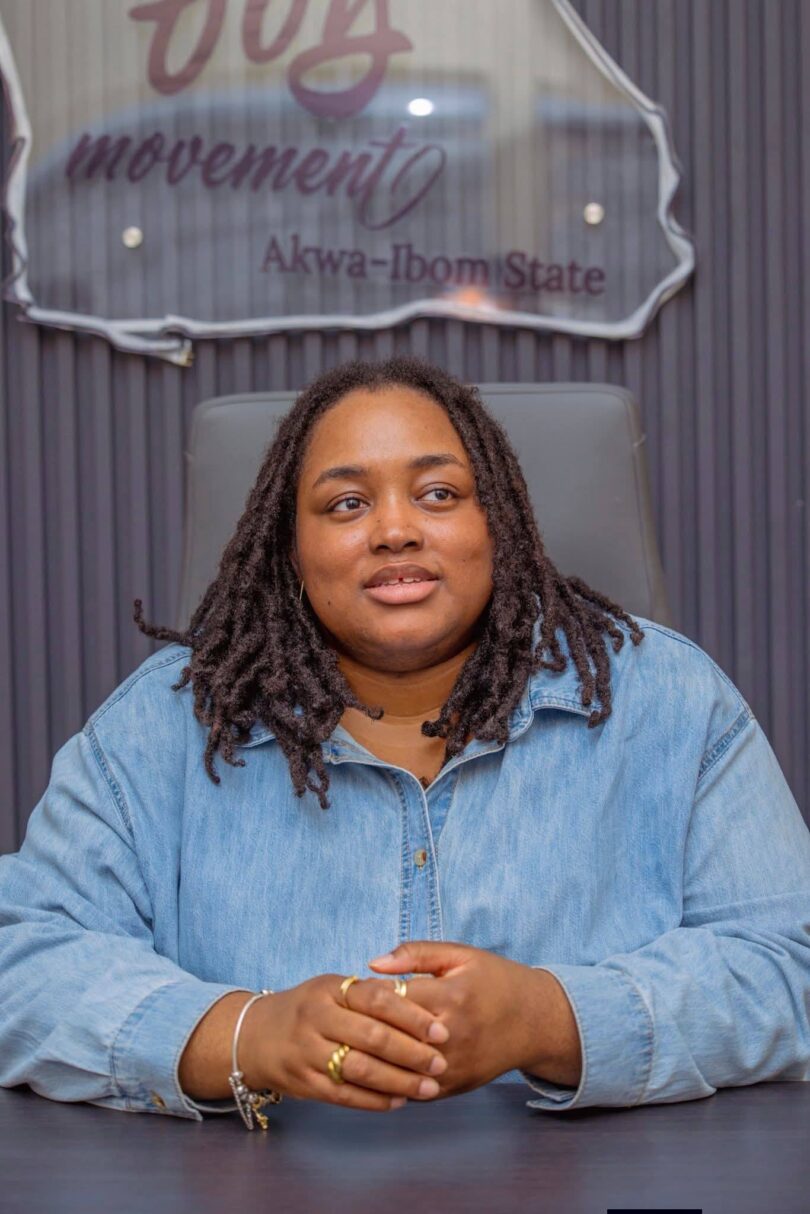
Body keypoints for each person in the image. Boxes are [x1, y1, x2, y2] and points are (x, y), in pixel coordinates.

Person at [1, 357, 809, 1126]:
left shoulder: (669, 700)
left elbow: (790, 964)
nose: (394, 529)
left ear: (499, 523)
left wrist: (549, 1019)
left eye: (439, 494)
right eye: (347, 504)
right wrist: (245, 1035)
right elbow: (23, 962)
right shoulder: (164, 723)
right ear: (291, 548)